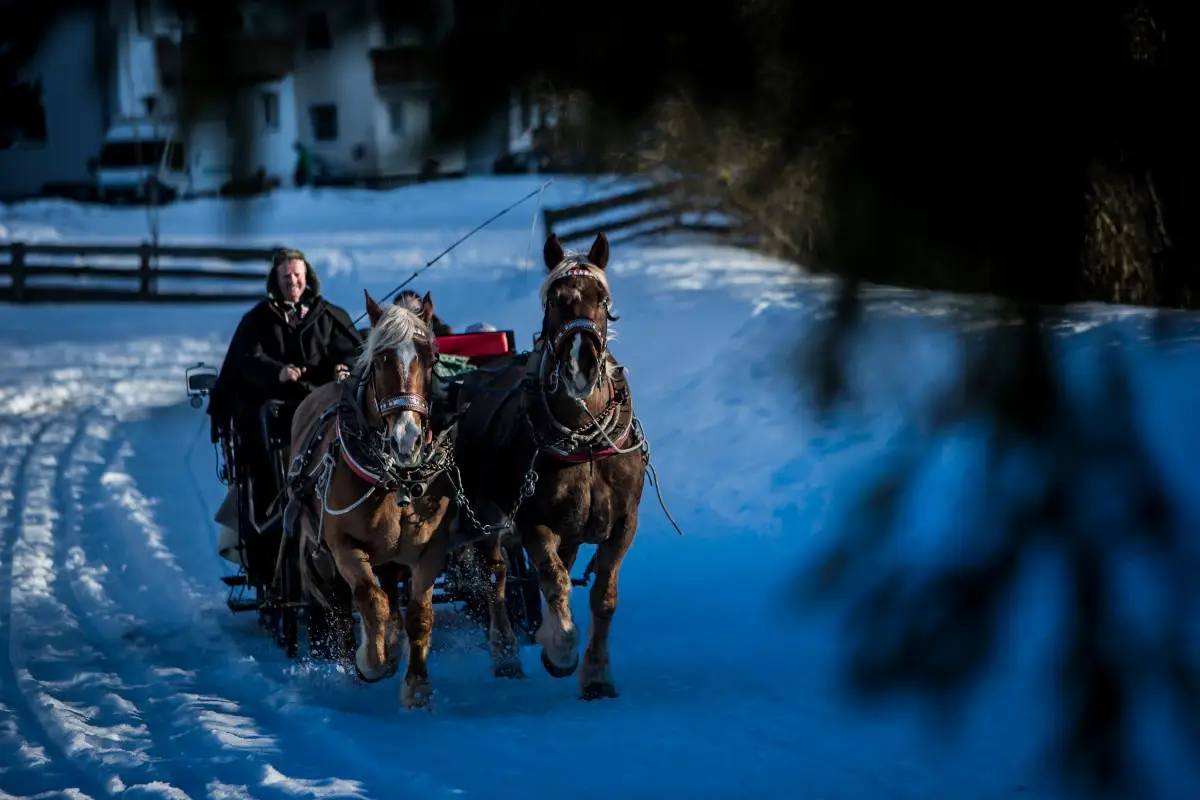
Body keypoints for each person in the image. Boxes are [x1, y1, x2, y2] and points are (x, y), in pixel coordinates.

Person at [208, 248, 362, 566]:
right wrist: (276, 371)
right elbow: (246, 360)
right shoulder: (257, 320)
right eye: (286, 276)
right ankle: (275, 517)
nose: (292, 281)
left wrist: (343, 368)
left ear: (308, 279)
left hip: (324, 408)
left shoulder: (330, 315)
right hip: (276, 413)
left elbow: (353, 351)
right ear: (275, 281)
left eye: (297, 276)